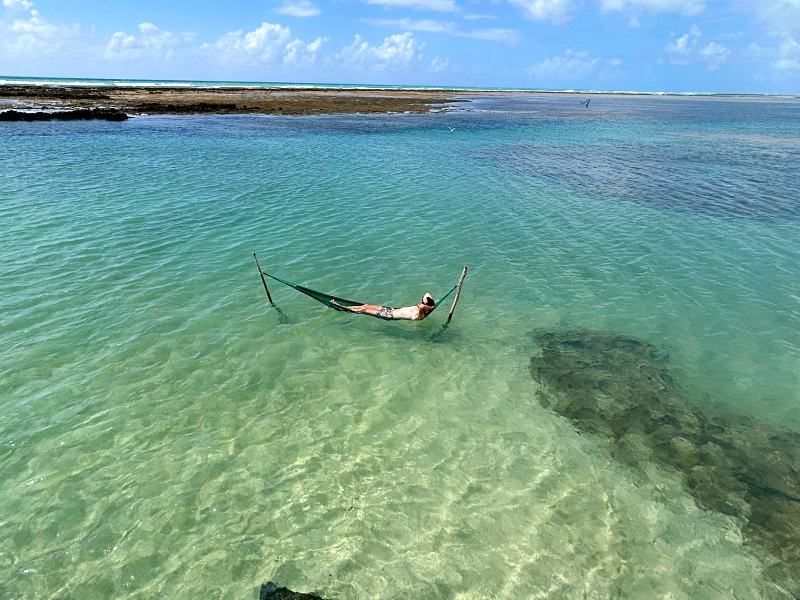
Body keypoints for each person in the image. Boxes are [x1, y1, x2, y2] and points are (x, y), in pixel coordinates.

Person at [331, 293, 435, 321]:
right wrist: (431, 304)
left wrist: (430, 307)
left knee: (363, 310)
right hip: (389, 310)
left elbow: (423, 307)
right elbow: (427, 293)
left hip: (388, 316)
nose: (420, 301)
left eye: (422, 301)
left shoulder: (419, 315)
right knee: (365, 306)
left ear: (425, 306)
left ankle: (341, 307)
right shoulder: (420, 307)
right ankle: (346, 307)